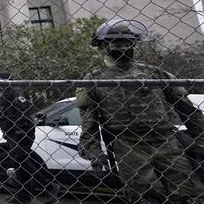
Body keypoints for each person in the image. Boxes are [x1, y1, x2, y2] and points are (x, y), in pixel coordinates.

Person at [77, 19, 204, 204]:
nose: (122, 48)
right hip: (128, 144)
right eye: (116, 43)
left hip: (166, 140)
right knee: (144, 196)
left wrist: (201, 141)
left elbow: (187, 109)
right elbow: (89, 119)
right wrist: (94, 150)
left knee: (186, 192)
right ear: (103, 46)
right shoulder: (94, 80)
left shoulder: (154, 74)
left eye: (126, 43)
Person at [0, 72, 59, 204]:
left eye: (1, 81)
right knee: (20, 163)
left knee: (21, 161)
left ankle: (49, 186)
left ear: (8, 81)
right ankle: (23, 196)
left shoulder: (16, 91)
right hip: (11, 132)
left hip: (21, 132)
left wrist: (18, 130)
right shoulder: (2, 95)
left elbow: (21, 113)